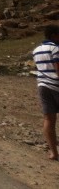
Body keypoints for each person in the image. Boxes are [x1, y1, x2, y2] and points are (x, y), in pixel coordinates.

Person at [33, 24, 59, 161]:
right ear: (54, 35)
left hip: (42, 85)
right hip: (56, 86)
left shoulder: (36, 50)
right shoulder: (55, 48)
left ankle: (54, 153)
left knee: (49, 119)